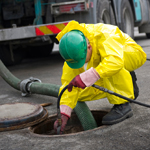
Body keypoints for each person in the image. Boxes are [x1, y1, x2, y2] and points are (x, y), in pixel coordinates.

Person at [54, 20, 147, 134]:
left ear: (89, 46)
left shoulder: (105, 34)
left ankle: (122, 104)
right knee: (78, 92)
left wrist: (89, 76)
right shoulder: (72, 49)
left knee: (108, 65)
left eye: (82, 60)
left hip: (131, 54)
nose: (81, 63)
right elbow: (68, 85)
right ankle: (128, 84)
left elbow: (115, 61)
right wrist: (64, 113)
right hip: (112, 60)